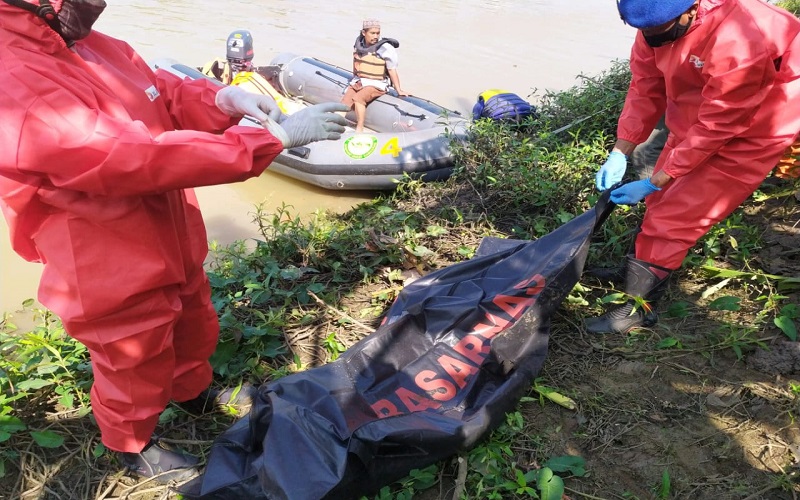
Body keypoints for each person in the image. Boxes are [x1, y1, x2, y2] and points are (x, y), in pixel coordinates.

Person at [0, 0, 348, 483]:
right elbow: (119, 156)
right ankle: (132, 442)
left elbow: (155, 92)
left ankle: (191, 392)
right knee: (130, 348)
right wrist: (268, 141)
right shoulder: (12, 73)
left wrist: (222, 101)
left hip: (166, 219)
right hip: (100, 243)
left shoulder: (86, 43)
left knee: (191, 314)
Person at [587, 0, 800, 334]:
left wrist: (656, 180)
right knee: (662, 200)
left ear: (691, 9)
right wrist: (621, 149)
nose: (652, 38)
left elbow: (719, 124)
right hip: (706, 103)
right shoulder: (655, 24)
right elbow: (646, 85)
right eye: (645, 33)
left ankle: (639, 308)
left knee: (677, 214)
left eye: (660, 32)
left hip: (760, 118)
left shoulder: (740, 39)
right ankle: (637, 270)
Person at [341, 18, 409, 133]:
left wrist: (399, 90)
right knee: (346, 100)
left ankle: (359, 127)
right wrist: (354, 79)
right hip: (361, 80)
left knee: (358, 98)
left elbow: (392, 70)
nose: (376, 36)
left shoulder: (386, 48)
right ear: (364, 33)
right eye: (372, 33)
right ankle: (335, 123)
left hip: (377, 84)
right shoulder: (359, 44)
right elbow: (356, 63)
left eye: (378, 33)